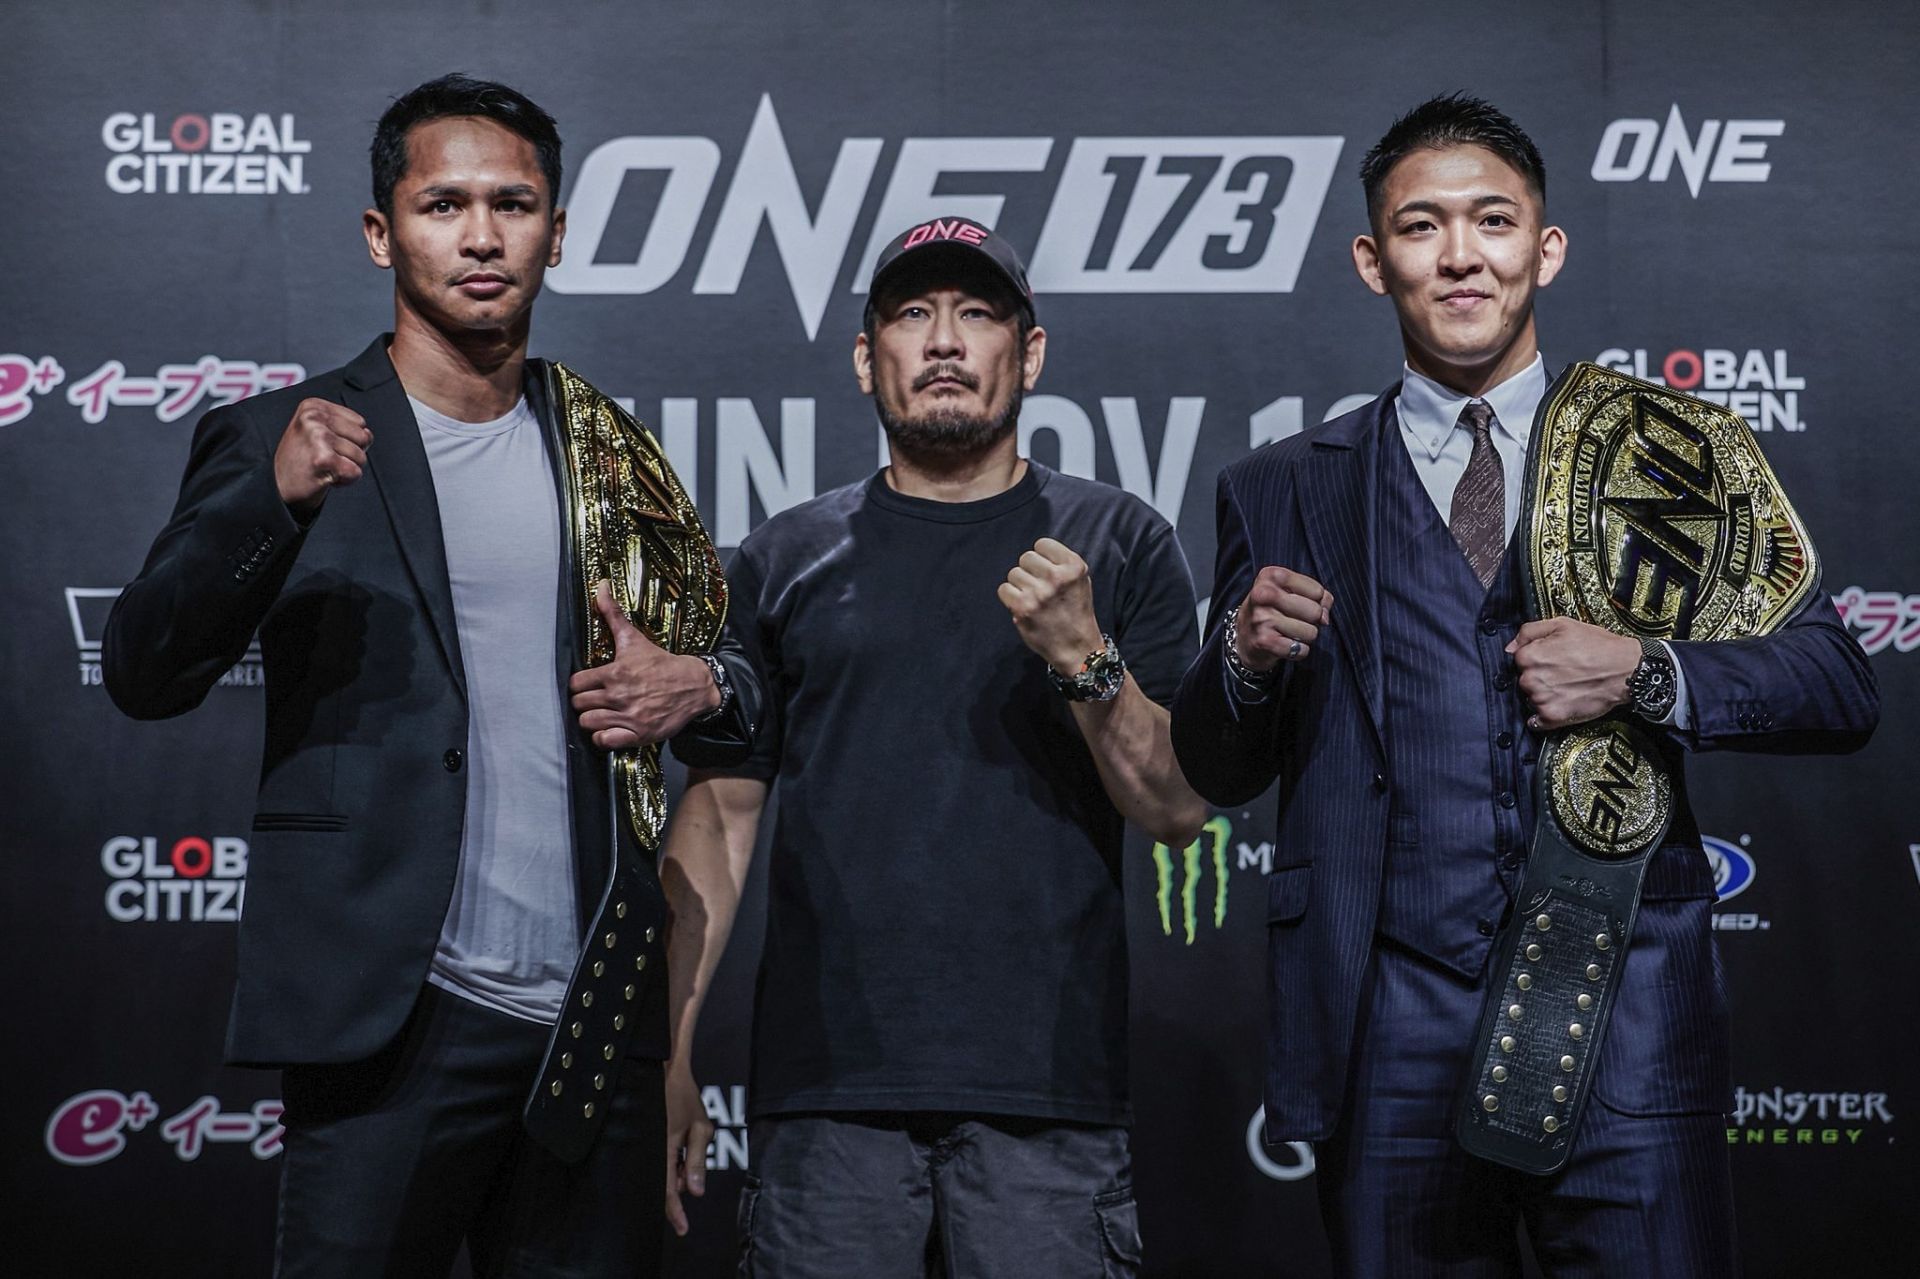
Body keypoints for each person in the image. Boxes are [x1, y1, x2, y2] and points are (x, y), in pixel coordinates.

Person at [1169, 94, 1879, 1276]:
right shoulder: (1283, 487)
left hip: (1627, 1016)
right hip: (1388, 1029)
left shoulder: (1668, 451)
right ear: (1371, 259)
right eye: (1420, 227)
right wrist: (1239, 659)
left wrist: (1645, 670)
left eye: (1492, 221)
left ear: (1544, 247)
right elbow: (1215, 765)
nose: (1459, 256)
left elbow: (1838, 683)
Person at [103, 73, 754, 1278]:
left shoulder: (608, 454)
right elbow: (143, 669)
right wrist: (275, 503)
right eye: (441, 203)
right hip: (393, 1021)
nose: (480, 234)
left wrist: (699, 686)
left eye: (513, 203)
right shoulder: (282, 435)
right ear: (380, 233)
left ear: (557, 232)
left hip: (591, 1025)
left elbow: (742, 675)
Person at [656, 215, 1205, 1276]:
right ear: (870, 359)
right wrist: (670, 1050)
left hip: (1051, 1099)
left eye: (976, 314)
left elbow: (1176, 804)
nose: (944, 341)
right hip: (827, 1103)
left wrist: (1085, 656)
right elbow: (722, 812)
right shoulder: (782, 558)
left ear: (1028, 353)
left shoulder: (1119, 542)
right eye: (913, 315)